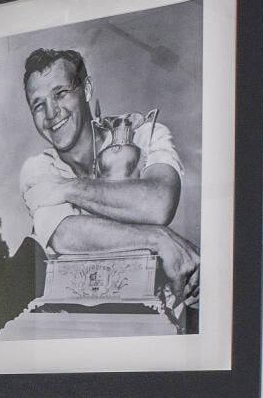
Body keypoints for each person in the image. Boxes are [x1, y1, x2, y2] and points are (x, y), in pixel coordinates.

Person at [13, 47, 195, 284]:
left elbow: (159, 204)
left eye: (60, 93)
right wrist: (159, 238)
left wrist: (67, 188)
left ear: (86, 90)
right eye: (38, 105)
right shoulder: (37, 169)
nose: (51, 113)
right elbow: (64, 235)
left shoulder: (144, 133)